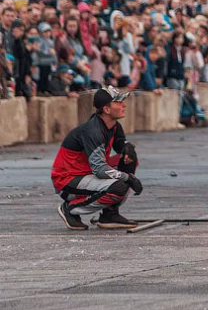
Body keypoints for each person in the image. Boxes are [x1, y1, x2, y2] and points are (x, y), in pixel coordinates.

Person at [50, 86, 143, 230]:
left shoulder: (114, 125)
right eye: (118, 102)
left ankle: (110, 214)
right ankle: (70, 209)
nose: (124, 105)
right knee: (119, 185)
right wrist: (128, 178)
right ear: (106, 109)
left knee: (129, 158)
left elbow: (120, 146)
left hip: (87, 175)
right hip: (67, 182)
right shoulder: (93, 130)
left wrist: (127, 147)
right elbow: (99, 169)